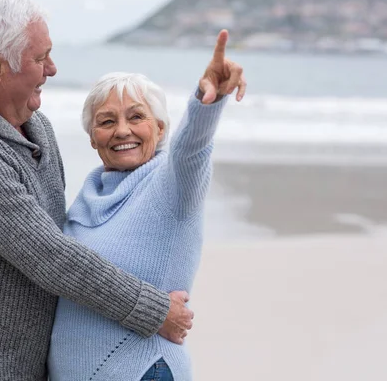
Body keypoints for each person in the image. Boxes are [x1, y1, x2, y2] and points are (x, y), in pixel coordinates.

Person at [0, 0, 194, 380]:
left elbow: (64, 231)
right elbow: (50, 256)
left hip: (33, 366)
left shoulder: (35, 126)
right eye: (40, 57)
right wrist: (154, 310)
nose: (53, 68)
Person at [47, 30, 246, 380]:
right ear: (93, 138)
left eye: (136, 117)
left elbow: (192, 149)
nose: (122, 130)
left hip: (143, 371)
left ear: (160, 127)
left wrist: (206, 101)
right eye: (107, 121)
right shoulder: (87, 197)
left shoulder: (171, 185)